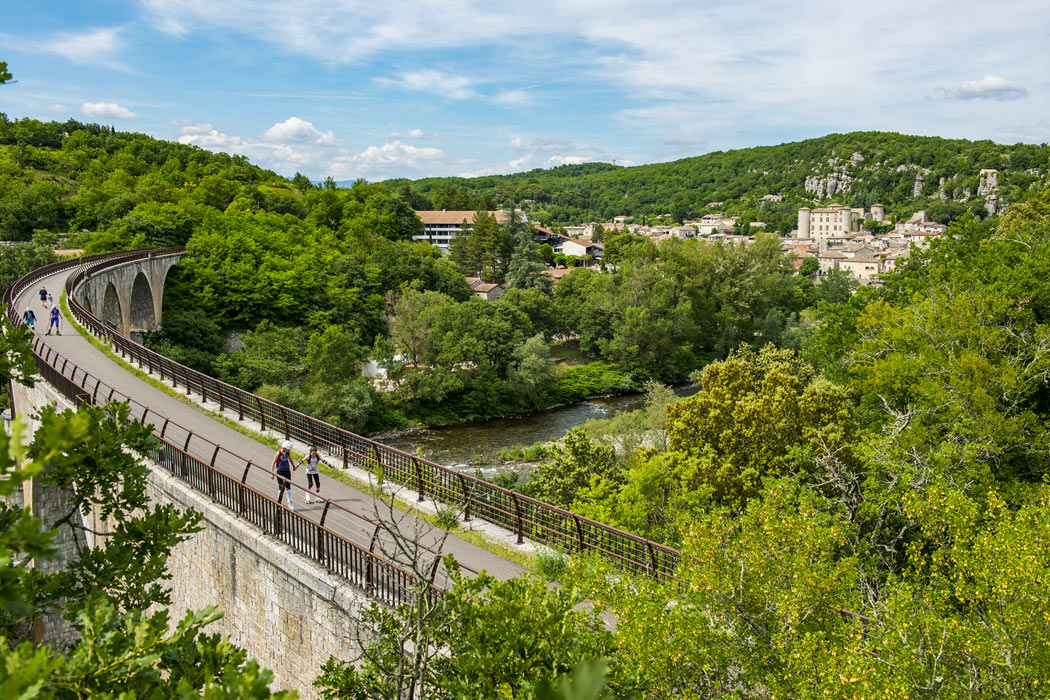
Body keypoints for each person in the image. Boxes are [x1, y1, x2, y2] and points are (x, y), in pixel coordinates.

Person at [270, 440, 297, 511]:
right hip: (280, 471)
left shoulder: (288, 453)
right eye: (288, 449)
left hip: (287, 470)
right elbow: (273, 462)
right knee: (281, 487)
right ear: (285, 447)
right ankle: (279, 502)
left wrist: (293, 466)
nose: (289, 450)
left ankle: (289, 502)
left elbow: (290, 459)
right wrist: (272, 473)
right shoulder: (278, 453)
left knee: (288, 486)